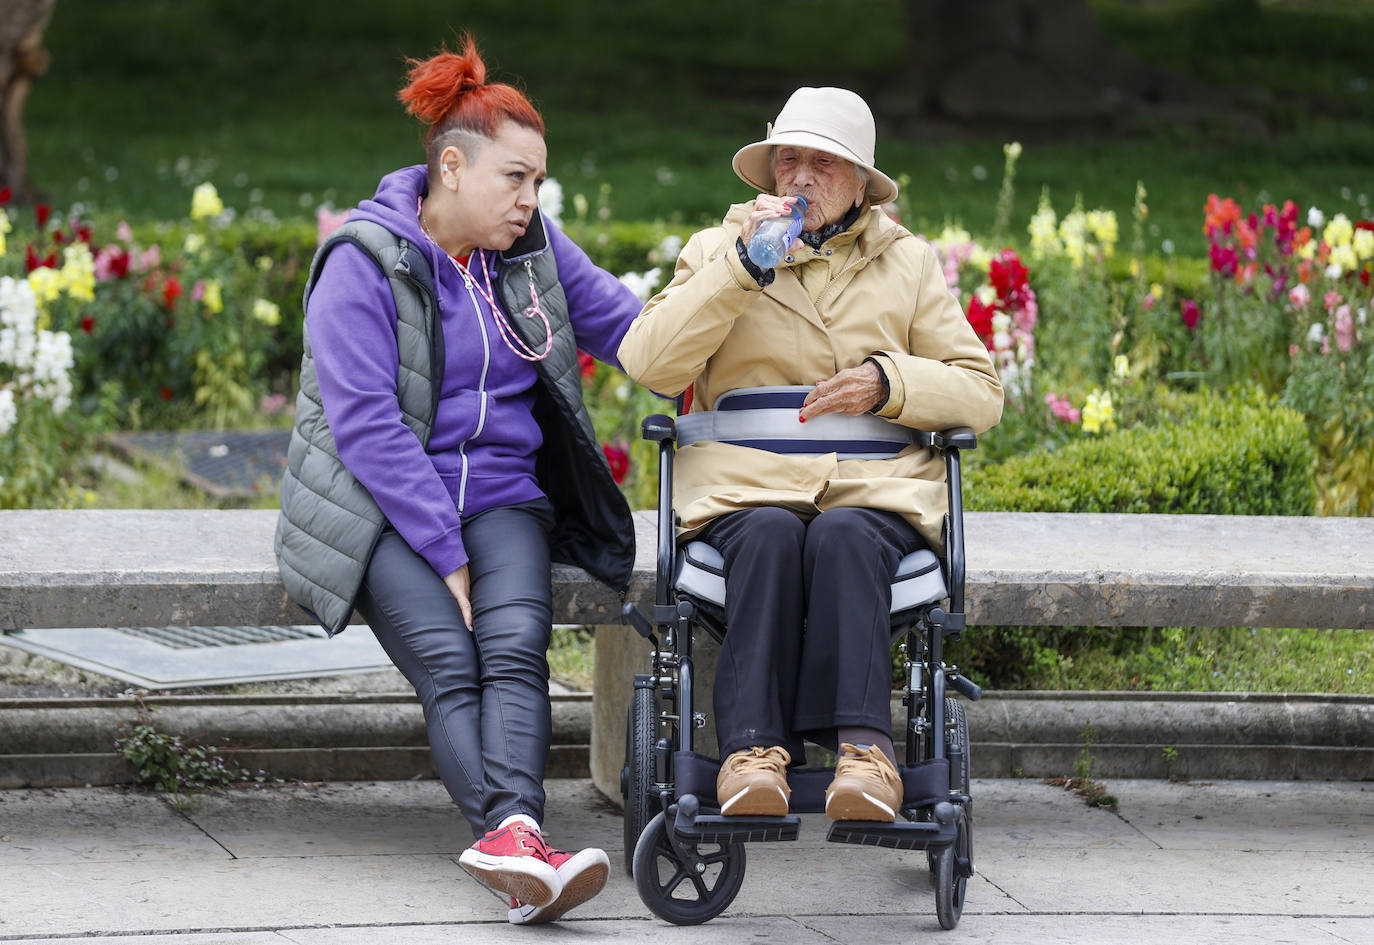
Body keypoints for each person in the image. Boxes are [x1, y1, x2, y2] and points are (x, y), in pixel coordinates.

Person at [274, 37, 645, 924]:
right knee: (449, 657)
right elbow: (365, 427)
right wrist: (445, 552)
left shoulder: (530, 252)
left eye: (538, 183)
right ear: (451, 165)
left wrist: (732, 329)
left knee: (513, 649)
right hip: (379, 509)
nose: (530, 200)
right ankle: (520, 837)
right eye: (516, 179)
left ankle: (515, 844)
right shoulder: (363, 262)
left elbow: (632, 330)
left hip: (505, 497)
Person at [618, 87, 1003, 822]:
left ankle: (866, 755)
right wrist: (740, 268)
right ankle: (751, 754)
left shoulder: (908, 262)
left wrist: (888, 382)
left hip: (871, 489)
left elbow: (980, 392)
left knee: (844, 534)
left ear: (861, 182)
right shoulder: (714, 251)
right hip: (744, 488)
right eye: (787, 159)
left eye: (823, 164)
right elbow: (650, 364)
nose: (799, 177)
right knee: (766, 533)